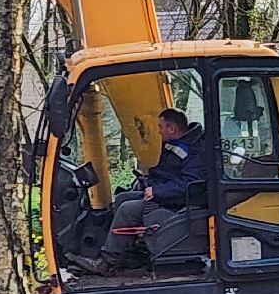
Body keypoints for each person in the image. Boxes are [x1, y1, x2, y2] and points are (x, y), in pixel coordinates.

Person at [72, 108, 207, 274]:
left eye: (161, 127)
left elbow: (192, 182)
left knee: (127, 210)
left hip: (183, 201)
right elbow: (167, 173)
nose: (158, 131)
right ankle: (128, 253)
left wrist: (158, 191)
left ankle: (106, 263)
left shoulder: (193, 150)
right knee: (122, 198)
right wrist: (149, 183)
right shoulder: (176, 144)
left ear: (171, 129)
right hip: (169, 193)